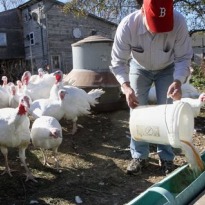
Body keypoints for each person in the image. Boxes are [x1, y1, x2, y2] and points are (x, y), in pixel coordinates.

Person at [110, 0, 193, 175]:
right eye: (155, 24)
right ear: (143, 11)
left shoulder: (178, 22)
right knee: (137, 109)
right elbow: (118, 61)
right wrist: (126, 87)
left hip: (168, 68)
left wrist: (178, 81)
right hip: (139, 67)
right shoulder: (127, 25)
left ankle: (167, 158)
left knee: (168, 112)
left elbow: (184, 57)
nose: (159, 30)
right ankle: (140, 155)